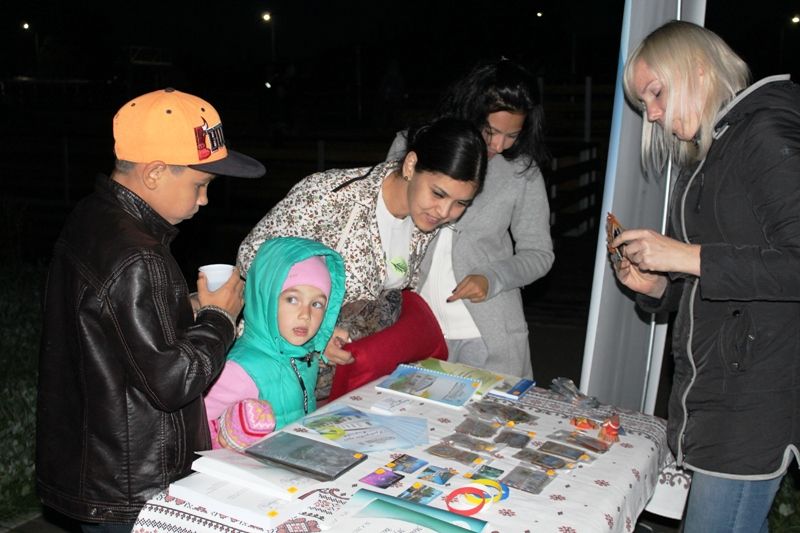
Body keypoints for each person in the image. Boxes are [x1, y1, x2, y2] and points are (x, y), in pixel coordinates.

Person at [36, 88, 265, 532]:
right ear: (156, 172)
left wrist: (185, 308)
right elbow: (172, 382)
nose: (204, 201)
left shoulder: (93, 216)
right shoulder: (138, 256)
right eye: (200, 185)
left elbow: (114, 332)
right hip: (136, 485)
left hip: (98, 465)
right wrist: (218, 319)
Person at [610, 20, 800, 533]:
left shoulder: (764, 132)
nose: (649, 113)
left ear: (695, 69)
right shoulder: (711, 152)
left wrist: (686, 256)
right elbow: (710, 287)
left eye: (655, 93)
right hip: (713, 396)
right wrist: (655, 288)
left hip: (753, 403)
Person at [237, 117, 487, 369]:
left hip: (341, 376)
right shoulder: (334, 196)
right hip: (275, 365)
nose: (444, 211)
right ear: (411, 165)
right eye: (438, 193)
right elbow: (253, 257)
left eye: (461, 203)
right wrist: (318, 334)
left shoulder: (424, 221)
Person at [387, 59, 554, 379]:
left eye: (512, 135)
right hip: (417, 329)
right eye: (490, 131)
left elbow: (540, 253)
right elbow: (387, 221)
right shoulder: (414, 145)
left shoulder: (521, 172)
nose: (498, 145)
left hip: (487, 335)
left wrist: (493, 277)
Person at [205, 236, 346, 440]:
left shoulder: (304, 356)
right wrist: (228, 442)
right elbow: (194, 428)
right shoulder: (239, 370)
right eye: (292, 299)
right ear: (265, 298)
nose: (305, 315)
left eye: (317, 304)